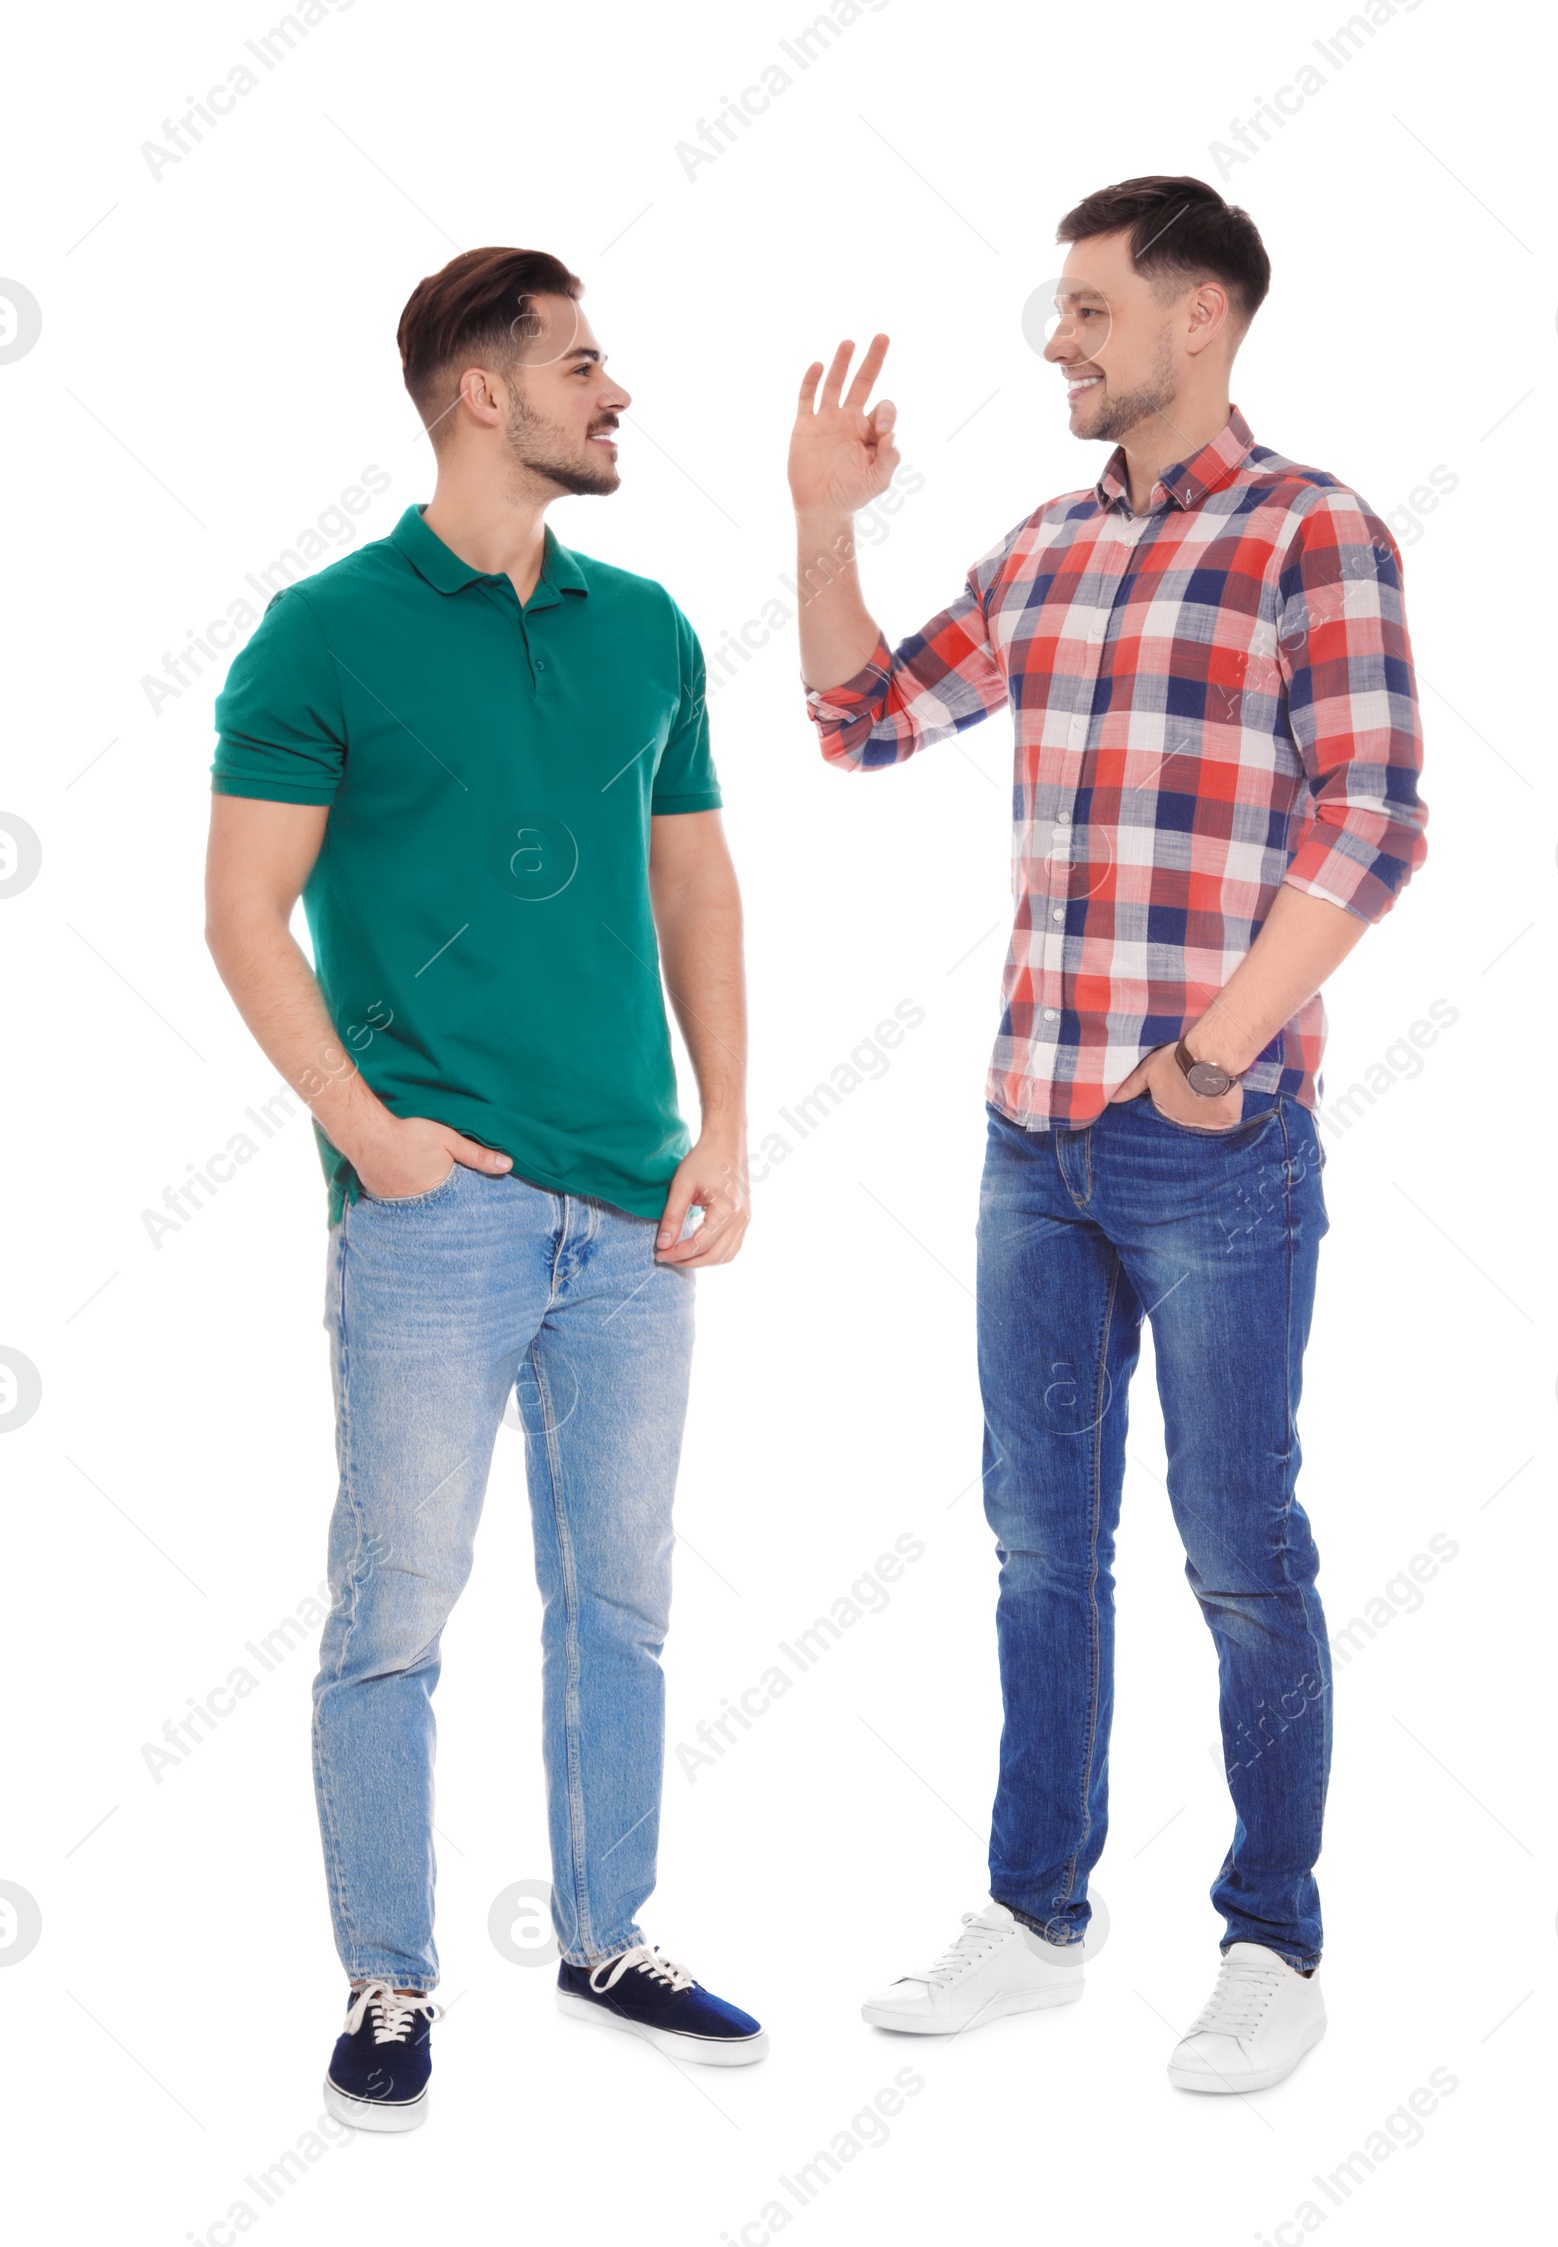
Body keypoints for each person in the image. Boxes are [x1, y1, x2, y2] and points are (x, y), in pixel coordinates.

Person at [789, 176, 1426, 2093]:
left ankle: (1272, 1939)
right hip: (1029, 1141)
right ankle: (1036, 1920)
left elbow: (1374, 824)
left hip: (1212, 1147)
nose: (1053, 341)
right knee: (1037, 1550)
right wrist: (826, 522)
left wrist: (1215, 1058)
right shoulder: (1049, 550)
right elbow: (862, 720)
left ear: (1200, 320)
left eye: (1087, 309)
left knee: (1241, 1550)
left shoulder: (1315, 533)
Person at [204, 247, 766, 2132]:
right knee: (398, 1603)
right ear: (480, 395)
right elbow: (240, 913)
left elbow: (694, 882)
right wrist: (369, 1136)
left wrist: (729, 1121)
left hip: (632, 1205)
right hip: (431, 1206)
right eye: (585, 367)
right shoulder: (322, 631)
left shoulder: (650, 628)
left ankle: (611, 1937)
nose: (618, 398)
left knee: (624, 1599)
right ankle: (392, 1973)